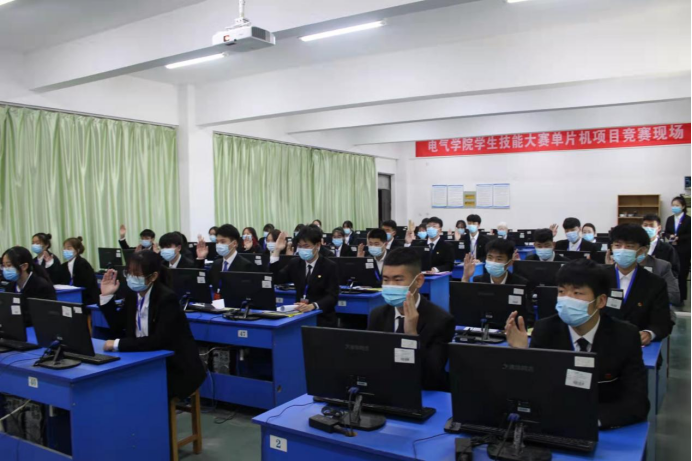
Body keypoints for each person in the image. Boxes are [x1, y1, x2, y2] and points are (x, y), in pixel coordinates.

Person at [505, 259, 650, 429]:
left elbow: (638, 401)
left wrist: (591, 421)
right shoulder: (545, 329)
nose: (567, 299)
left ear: (601, 301)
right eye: (561, 292)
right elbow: (533, 391)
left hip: (601, 425)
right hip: (555, 423)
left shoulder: (625, 335)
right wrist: (522, 354)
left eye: (577, 293)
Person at [99, 252, 206, 400]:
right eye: (128, 273)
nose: (131, 277)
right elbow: (117, 326)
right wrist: (106, 296)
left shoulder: (167, 299)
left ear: (153, 276)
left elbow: (158, 341)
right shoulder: (133, 295)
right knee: (117, 385)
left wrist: (118, 344)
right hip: (142, 357)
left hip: (173, 365)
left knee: (139, 391)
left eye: (136, 274)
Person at [368, 248, 455, 391]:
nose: (390, 286)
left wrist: (411, 335)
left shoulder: (441, 320)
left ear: (418, 281)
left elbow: (432, 376)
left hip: (422, 391)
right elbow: (372, 361)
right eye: (386, 279)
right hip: (385, 388)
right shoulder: (377, 315)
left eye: (398, 280)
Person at [606, 224, 673, 344]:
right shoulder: (598, 277)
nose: (622, 250)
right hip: (605, 342)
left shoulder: (655, 283)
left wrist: (650, 333)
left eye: (629, 246)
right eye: (617, 245)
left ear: (642, 250)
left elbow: (663, 322)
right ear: (611, 248)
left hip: (638, 345)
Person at [270, 227, 340, 327]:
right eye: (300, 246)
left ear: (317, 245)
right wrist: (276, 251)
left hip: (322, 318)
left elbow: (332, 296)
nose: (303, 249)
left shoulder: (329, 266)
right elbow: (276, 279)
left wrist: (313, 306)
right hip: (299, 316)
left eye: (306, 246)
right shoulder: (295, 263)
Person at [2, 247, 57, 326]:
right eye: (3, 265)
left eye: (9, 265)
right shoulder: (10, 287)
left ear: (24, 266)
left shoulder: (41, 287)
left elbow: (43, 317)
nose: (5, 269)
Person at [195, 224, 256, 293]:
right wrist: (200, 259)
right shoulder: (216, 264)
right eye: (217, 242)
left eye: (223, 242)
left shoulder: (245, 265)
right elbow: (203, 282)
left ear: (234, 243)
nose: (219, 245)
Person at [52, 237, 100, 306]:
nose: (66, 251)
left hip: (86, 298)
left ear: (77, 250)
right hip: (70, 297)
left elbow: (86, 285)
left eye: (69, 248)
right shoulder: (64, 266)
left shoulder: (83, 264)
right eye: (64, 248)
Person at [462, 238, 528, 286]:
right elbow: (468, 299)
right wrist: (465, 278)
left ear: (510, 262)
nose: (493, 262)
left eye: (499, 259)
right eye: (490, 257)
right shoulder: (478, 281)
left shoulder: (520, 283)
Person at [665, 196, 691, 303]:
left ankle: (681, 297)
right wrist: (669, 236)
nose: (674, 207)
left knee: (682, 274)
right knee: (671, 273)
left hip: (684, 250)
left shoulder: (688, 219)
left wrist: (679, 238)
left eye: (677, 205)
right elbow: (666, 232)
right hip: (672, 248)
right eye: (673, 205)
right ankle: (671, 296)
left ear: (683, 206)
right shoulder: (670, 219)